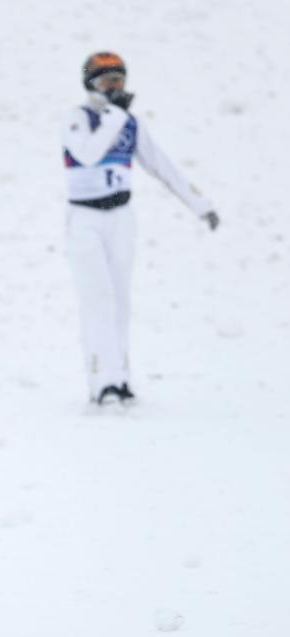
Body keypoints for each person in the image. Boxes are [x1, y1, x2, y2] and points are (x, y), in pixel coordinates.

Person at [62, 51, 220, 405]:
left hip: (120, 217)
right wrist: (115, 116)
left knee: (120, 302)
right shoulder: (76, 118)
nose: (115, 86)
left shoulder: (130, 123)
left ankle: (120, 378)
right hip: (84, 219)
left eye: (120, 79)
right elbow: (88, 153)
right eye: (107, 80)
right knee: (97, 301)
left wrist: (201, 205)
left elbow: (161, 166)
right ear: (90, 83)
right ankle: (100, 381)